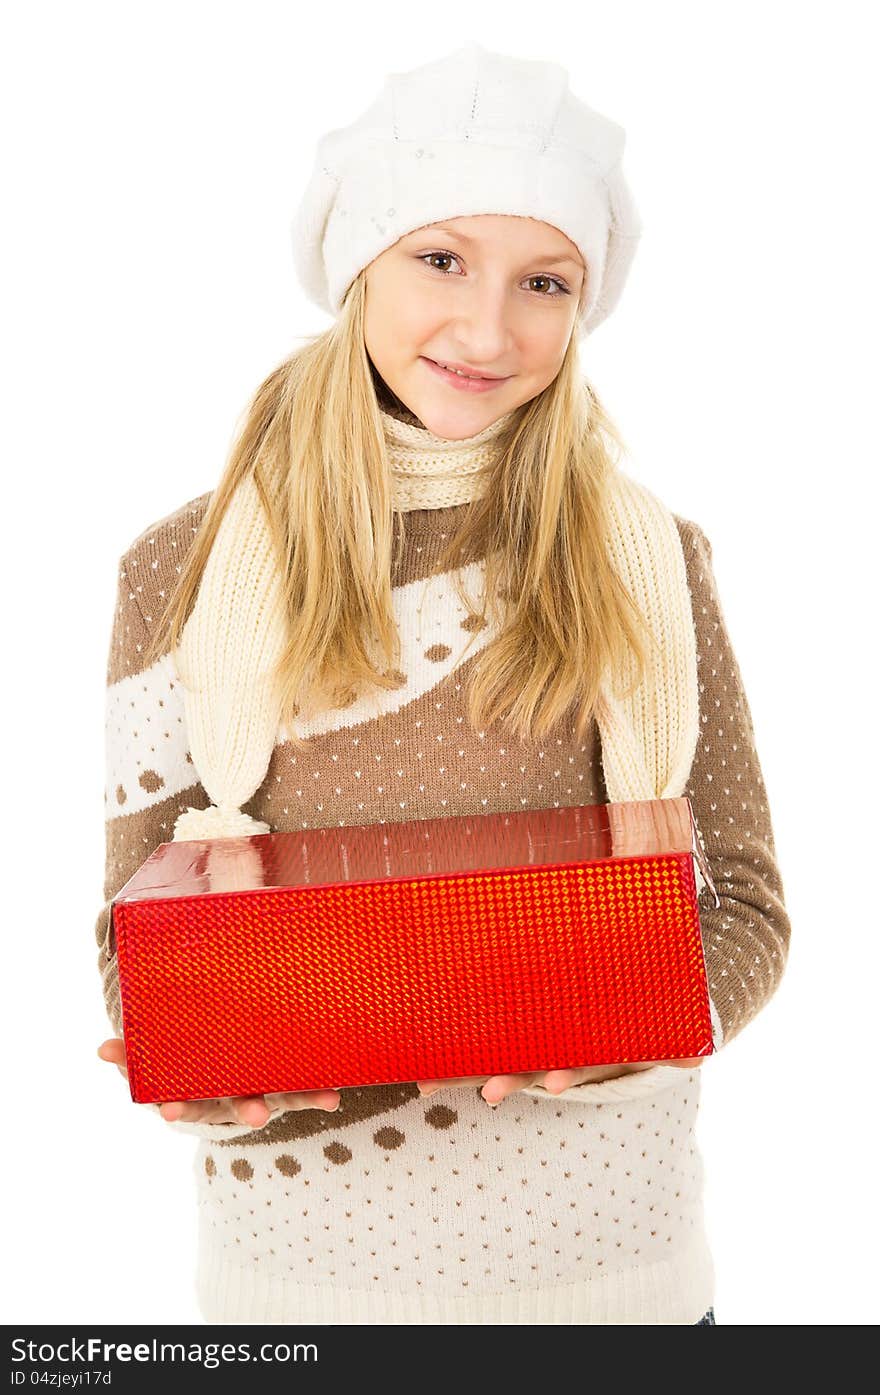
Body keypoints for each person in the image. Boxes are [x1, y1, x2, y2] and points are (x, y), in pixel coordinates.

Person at [94, 42, 790, 1325]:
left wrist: (625, 1030)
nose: (486, 328)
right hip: (294, 1296)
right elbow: (135, 928)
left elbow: (742, 907)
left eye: (543, 281)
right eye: (440, 259)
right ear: (358, 264)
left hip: (614, 1286)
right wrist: (186, 1061)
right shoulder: (178, 571)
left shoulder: (649, 559)